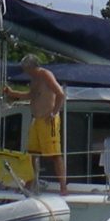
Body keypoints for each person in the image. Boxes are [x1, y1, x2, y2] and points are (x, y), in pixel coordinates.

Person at [4, 56, 68, 193]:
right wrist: (12, 93)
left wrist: (54, 112)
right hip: (37, 119)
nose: (25, 72)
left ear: (32, 67)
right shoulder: (33, 80)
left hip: (48, 119)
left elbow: (60, 94)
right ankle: (31, 181)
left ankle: (63, 186)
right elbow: (31, 95)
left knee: (54, 154)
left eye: (26, 69)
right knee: (32, 153)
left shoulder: (46, 75)